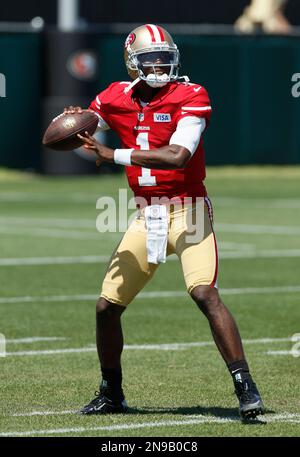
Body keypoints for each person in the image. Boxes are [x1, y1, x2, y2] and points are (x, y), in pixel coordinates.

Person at [65, 24, 264, 419]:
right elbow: (86, 125)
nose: (158, 65)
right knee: (107, 307)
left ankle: (246, 387)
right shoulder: (115, 96)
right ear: (132, 62)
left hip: (188, 209)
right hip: (147, 215)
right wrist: (72, 122)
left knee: (205, 294)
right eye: (149, 59)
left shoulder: (191, 95)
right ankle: (112, 392)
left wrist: (112, 155)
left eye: (164, 57)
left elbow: (177, 156)